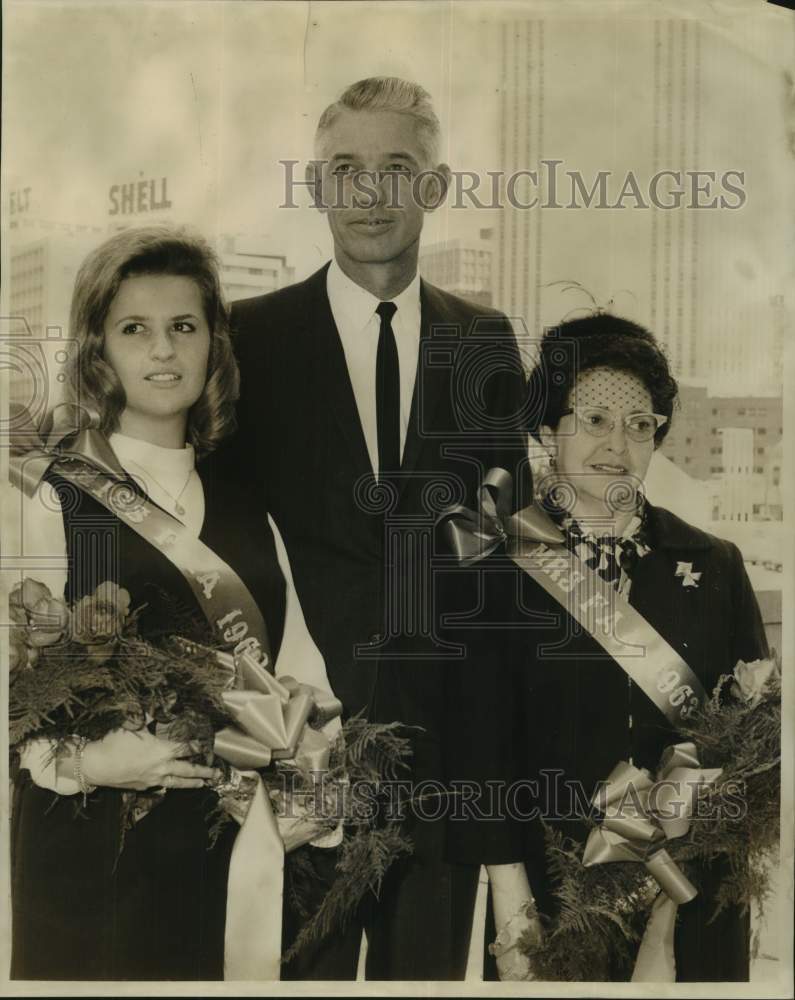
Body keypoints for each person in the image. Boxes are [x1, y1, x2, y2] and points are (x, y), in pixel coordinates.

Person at [223, 77, 531, 980]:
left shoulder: (483, 342)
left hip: (439, 760)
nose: (368, 194)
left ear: (434, 187)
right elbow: (221, 545)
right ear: (316, 185)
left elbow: (496, 562)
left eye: (396, 169)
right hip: (294, 751)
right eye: (344, 169)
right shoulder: (250, 337)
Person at [10, 226, 313, 980]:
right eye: (134, 330)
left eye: (183, 326)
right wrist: (84, 761)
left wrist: (314, 777)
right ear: (97, 351)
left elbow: (300, 669)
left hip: (223, 847)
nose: (163, 350)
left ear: (213, 345)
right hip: (88, 848)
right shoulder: (49, 494)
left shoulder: (251, 510)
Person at [448, 312, 770, 981]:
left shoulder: (714, 563)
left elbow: (752, 743)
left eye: (639, 424)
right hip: (555, 894)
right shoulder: (497, 567)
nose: (616, 445)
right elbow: (478, 748)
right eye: (593, 420)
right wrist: (512, 903)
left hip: (694, 890)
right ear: (547, 431)